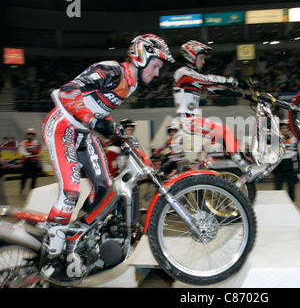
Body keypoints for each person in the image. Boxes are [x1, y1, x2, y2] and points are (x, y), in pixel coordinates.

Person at [41, 34, 174, 280]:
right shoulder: (111, 71)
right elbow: (65, 94)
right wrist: (96, 123)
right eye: (156, 66)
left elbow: (99, 109)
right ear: (142, 56)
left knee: (105, 188)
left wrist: (116, 131)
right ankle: (50, 255)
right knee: (70, 191)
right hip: (62, 128)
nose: (157, 73)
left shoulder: (131, 84)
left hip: (82, 133)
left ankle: (76, 238)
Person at [173, 40, 268, 182]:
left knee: (220, 145)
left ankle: (205, 173)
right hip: (188, 121)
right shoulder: (183, 73)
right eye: (201, 58)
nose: (203, 62)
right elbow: (208, 79)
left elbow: (218, 89)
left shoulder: (194, 78)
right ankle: (246, 168)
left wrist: (246, 95)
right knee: (225, 131)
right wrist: (236, 82)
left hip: (193, 120)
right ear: (191, 57)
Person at [273, 121, 300, 202]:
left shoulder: (293, 139)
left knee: (291, 189)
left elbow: (297, 155)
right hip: (279, 169)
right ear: (280, 130)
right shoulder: (276, 141)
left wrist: (298, 169)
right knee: (277, 189)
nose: (284, 130)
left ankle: (291, 205)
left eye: (285, 128)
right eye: (282, 129)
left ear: (288, 129)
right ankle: (277, 205)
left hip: (290, 168)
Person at [18, 128, 42, 195]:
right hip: (26, 162)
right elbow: (23, 152)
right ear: (26, 135)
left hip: (34, 162)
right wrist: (32, 153)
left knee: (34, 177)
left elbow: (38, 151)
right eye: (29, 134)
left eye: (31, 134)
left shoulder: (37, 142)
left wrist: (30, 153)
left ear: (34, 135)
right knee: (24, 176)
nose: (30, 135)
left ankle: (32, 190)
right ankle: (22, 189)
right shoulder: (22, 143)